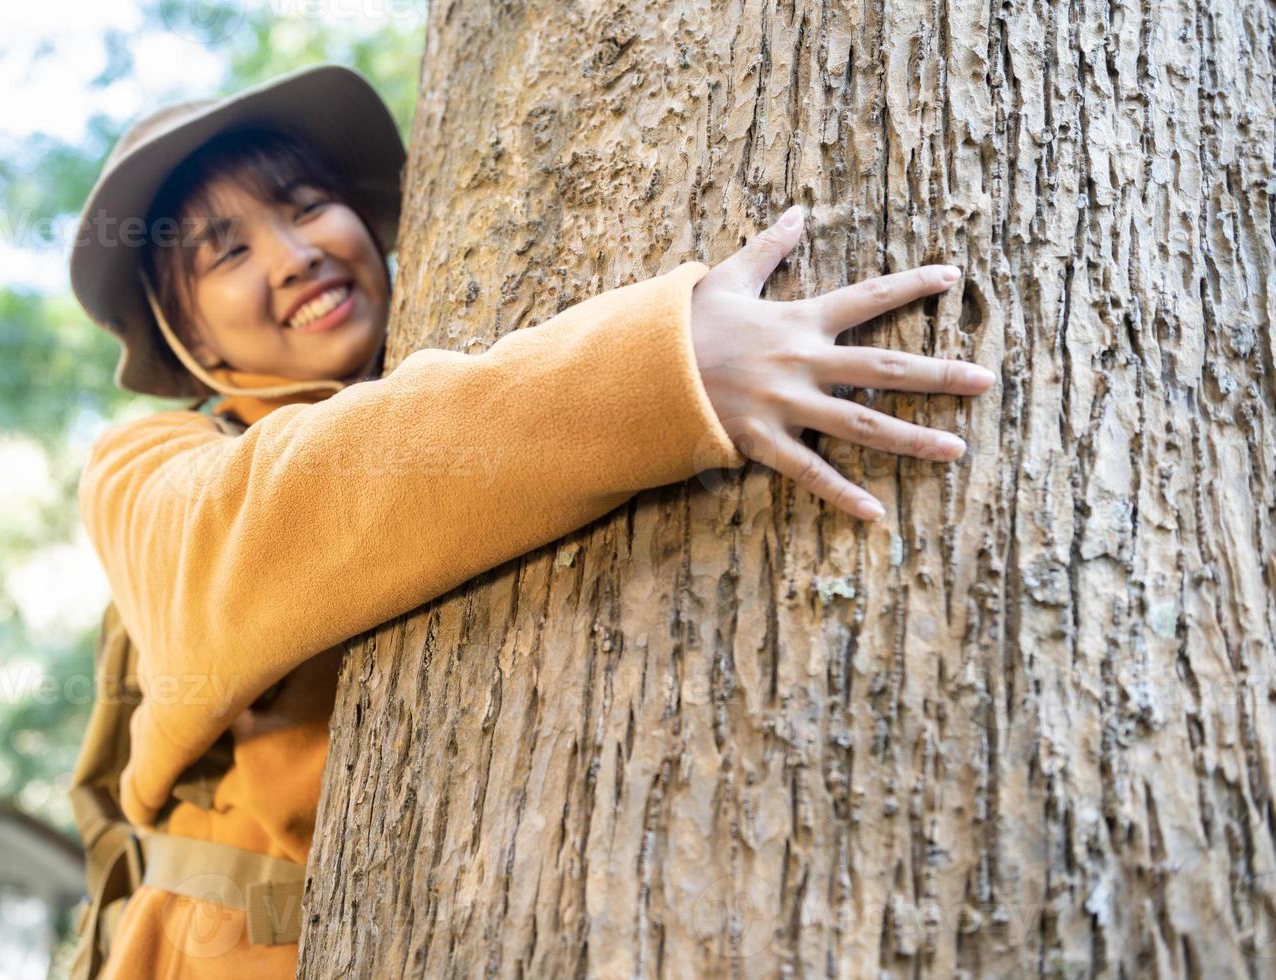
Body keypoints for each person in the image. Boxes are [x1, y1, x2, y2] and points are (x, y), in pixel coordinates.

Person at [67, 63, 994, 977]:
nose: (291, 253)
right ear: (189, 339)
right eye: (226, 252)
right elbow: (267, 513)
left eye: (307, 204)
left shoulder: (451, 356)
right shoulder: (140, 468)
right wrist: (667, 368)